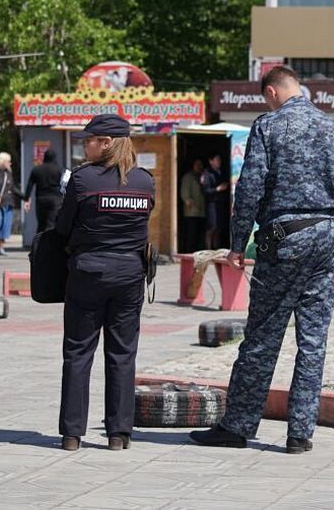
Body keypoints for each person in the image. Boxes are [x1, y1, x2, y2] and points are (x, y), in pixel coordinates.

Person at [189, 66, 334, 454]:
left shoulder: (268, 126)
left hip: (282, 238)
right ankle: (300, 433)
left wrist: (236, 244)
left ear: (271, 92)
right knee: (313, 343)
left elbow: (249, 186)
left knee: (263, 336)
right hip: (326, 235)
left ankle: (237, 426)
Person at [54, 114, 155, 452]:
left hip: (88, 273)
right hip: (129, 275)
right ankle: (118, 435)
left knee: (78, 351)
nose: (86, 144)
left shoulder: (82, 180)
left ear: (107, 142)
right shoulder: (144, 182)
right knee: (123, 354)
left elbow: (62, 227)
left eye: (90, 139)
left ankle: (71, 435)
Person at [24, 149, 63, 232]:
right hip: (55, 199)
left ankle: (39, 243)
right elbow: (65, 185)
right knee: (51, 223)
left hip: (41, 199)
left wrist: (27, 200)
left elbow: (29, 186)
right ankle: (49, 244)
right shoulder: (59, 169)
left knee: (41, 224)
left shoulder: (36, 169)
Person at [200, 154, 228, 249]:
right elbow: (205, 191)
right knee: (211, 227)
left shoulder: (221, 172)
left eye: (219, 160)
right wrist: (218, 189)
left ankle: (216, 250)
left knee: (218, 228)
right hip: (212, 204)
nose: (219, 161)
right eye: (217, 160)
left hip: (221, 204)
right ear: (211, 161)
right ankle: (208, 250)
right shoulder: (207, 173)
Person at [180, 159, 206, 252]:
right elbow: (184, 192)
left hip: (201, 211)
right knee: (191, 235)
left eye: (201, 164)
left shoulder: (202, 177)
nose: (199, 166)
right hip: (191, 212)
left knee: (199, 235)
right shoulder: (188, 177)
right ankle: (189, 254)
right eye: (197, 164)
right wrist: (188, 201)